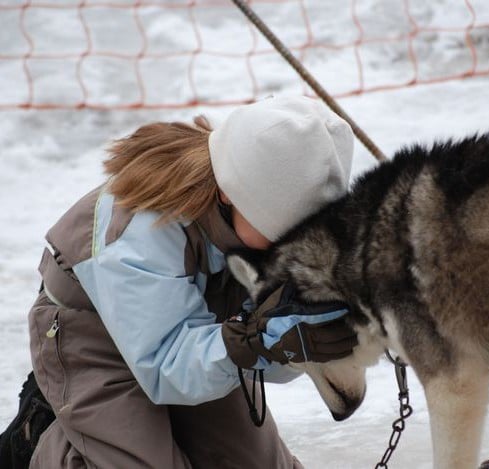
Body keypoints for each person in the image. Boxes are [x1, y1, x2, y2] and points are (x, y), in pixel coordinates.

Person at [19, 95, 356, 468]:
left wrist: (292, 345)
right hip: (93, 343)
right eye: (278, 230)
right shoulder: (141, 231)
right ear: (230, 192)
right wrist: (255, 342)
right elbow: (165, 364)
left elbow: (255, 353)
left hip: (200, 336)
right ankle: (43, 443)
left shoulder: (247, 219)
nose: (283, 247)